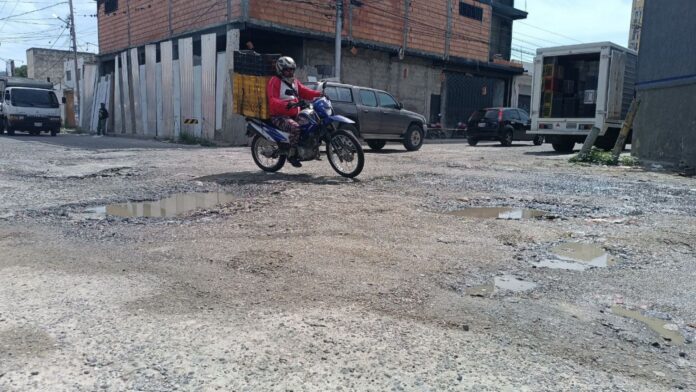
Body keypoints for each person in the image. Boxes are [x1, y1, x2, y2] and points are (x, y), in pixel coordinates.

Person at [267, 56, 321, 167]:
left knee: (311, 123)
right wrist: (286, 104)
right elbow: (272, 100)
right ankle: (291, 155)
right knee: (295, 128)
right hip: (279, 116)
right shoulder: (275, 81)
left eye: (291, 69)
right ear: (280, 69)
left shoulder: (294, 81)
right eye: (287, 69)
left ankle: (307, 148)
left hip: (294, 114)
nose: (290, 72)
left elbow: (304, 91)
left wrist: (318, 94)